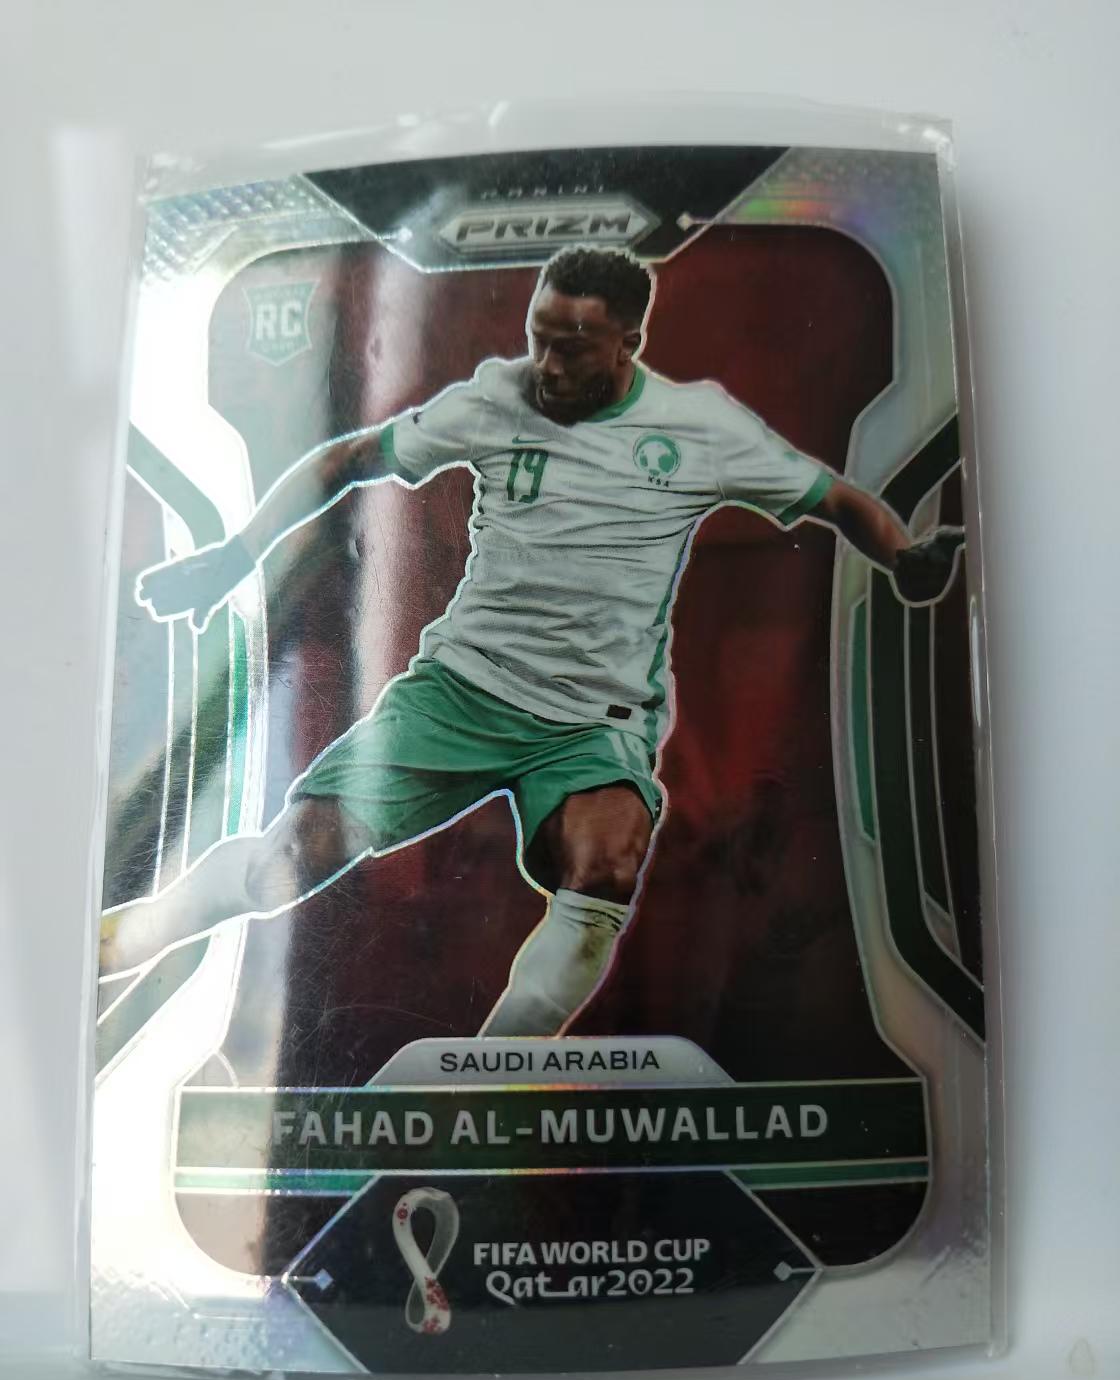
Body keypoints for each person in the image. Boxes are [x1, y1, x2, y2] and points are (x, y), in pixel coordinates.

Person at [100, 246, 963, 1037]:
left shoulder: (698, 427)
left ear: (629, 343)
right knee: (291, 860)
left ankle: (491, 1077)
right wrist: (234, 557)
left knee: (605, 869)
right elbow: (346, 459)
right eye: (540, 339)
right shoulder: (495, 398)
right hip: (458, 692)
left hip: (593, 723)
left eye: (573, 348)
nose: (548, 365)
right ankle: (116, 941)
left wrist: (905, 556)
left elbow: (834, 498)